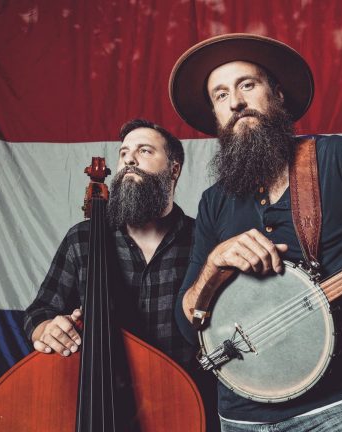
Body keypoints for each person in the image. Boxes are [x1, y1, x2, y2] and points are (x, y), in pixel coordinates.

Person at [170, 34, 342, 431]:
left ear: (277, 95)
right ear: (217, 117)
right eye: (221, 96)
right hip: (239, 417)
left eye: (247, 85)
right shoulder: (214, 202)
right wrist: (212, 265)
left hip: (340, 407)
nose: (236, 102)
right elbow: (187, 325)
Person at [22, 118, 217, 429]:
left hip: (182, 409)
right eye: (124, 152)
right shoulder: (82, 239)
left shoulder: (204, 241)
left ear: (175, 169)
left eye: (144, 150)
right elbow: (39, 311)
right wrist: (47, 328)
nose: (129, 159)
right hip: (99, 404)